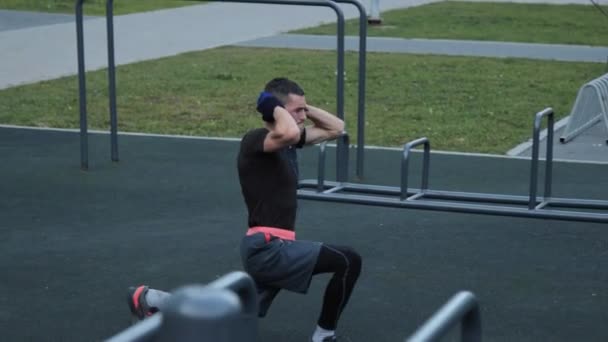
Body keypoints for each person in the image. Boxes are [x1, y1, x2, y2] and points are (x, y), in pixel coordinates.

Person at [127, 77, 362, 342]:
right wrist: (275, 108)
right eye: (297, 111)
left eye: (304, 111)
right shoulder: (256, 140)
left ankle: (151, 299)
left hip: (274, 246)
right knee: (348, 259)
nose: (303, 117)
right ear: (278, 110)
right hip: (268, 248)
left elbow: (337, 128)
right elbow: (290, 132)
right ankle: (324, 336)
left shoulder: (288, 141)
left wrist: (303, 108)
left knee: (233, 310)